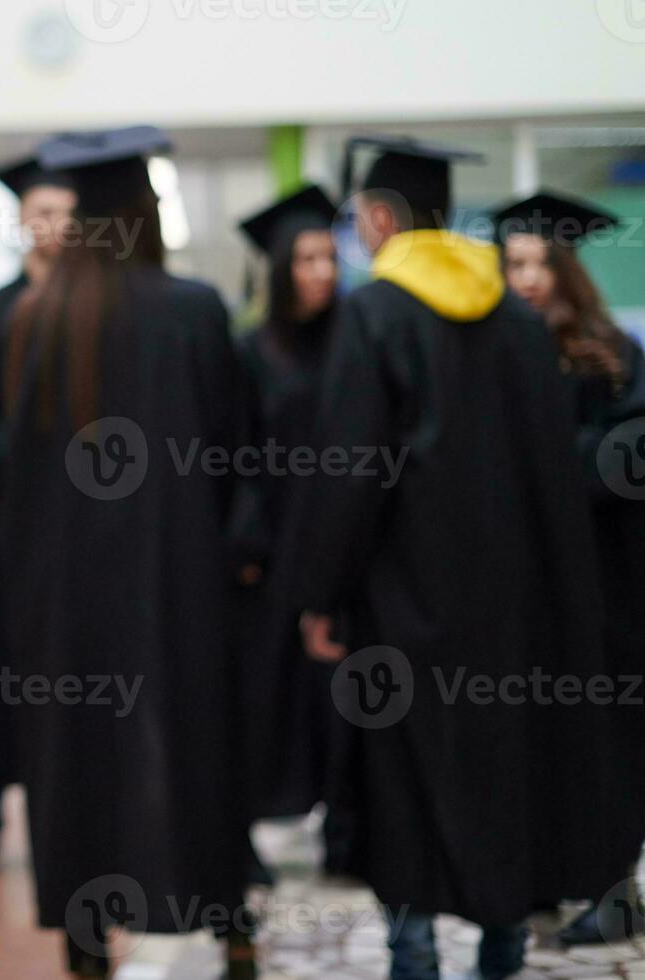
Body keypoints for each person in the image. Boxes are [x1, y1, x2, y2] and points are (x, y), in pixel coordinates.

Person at [289, 136, 617, 980]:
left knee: (404, 779)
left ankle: (414, 954)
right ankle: (503, 948)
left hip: (403, 603)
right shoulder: (513, 317)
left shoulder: (375, 315)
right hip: (514, 606)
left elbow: (351, 472)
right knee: (506, 767)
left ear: (382, 218)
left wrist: (319, 594)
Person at [0, 126, 255, 980]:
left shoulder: (37, 318)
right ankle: (228, 924)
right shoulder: (194, 311)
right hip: (182, 584)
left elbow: (19, 479)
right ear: (148, 211)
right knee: (194, 746)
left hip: (64, 595)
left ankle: (84, 940)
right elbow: (234, 456)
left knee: (80, 757)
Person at [494, 189, 645, 948]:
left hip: (604, 580)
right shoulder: (494, 350)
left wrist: (550, 472)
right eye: (512, 262)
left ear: (564, 268)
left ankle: (613, 887)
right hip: (527, 582)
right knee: (537, 731)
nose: (525, 278)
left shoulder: (612, 353)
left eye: (537, 263)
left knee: (607, 735)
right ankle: (547, 873)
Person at [0, 155, 76, 873]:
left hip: (90, 523)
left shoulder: (101, 314)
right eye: (42, 213)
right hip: (17, 519)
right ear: (23, 220)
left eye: (65, 213)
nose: (53, 226)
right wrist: (28, 468)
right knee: (5, 660)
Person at [229, 184, 345, 876]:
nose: (322, 270)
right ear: (279, 267)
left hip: (339, 544)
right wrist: (246, 545)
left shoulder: (357, 338)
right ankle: (249, 833)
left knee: (341, 701)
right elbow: (233, 450)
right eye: (306, 258)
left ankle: (347, 827)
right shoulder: (249, 348)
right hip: (269, 554)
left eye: (329, 255)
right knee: (265, 694)